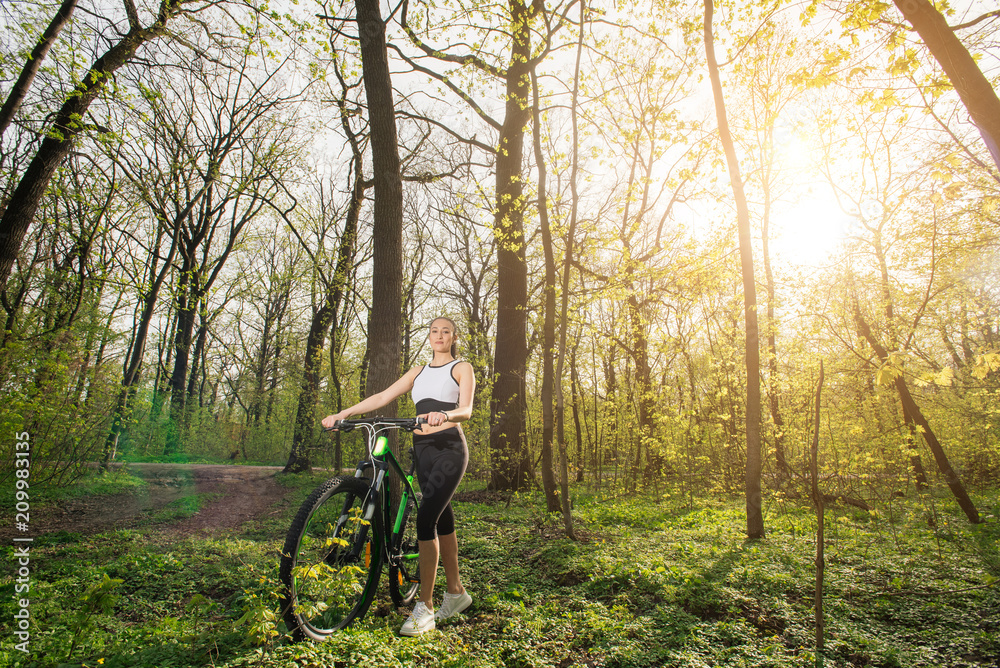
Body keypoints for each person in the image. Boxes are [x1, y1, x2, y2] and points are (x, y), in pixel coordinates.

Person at [321, 317, 474, 636]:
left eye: (446, 331)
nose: (439, 335)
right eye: (434, 331)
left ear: (453, 337)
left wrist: (443, 414)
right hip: (423, 450)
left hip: (449, 448)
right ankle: (457, 593)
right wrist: (342, 414)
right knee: (441, 517)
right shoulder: (418, 372)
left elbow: (466, 410)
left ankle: (426, 607)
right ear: (429, 337)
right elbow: (382, 397)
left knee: (425, 518)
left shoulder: (461, 367)